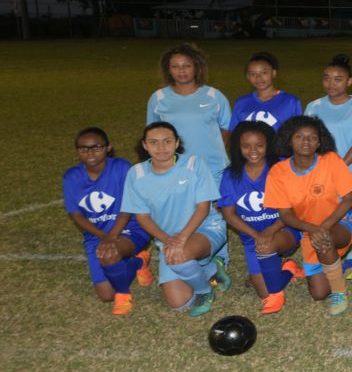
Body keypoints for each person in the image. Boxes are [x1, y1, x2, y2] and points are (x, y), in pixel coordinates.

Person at [121, 122, 229, 317]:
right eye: (154, 142)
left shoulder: (193, 163)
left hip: (205, 228)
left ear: (177, 143)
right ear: (145, 145)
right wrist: (167, 239)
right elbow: (142, 217)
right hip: (168, 239)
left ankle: (205, 292)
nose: (161, 147)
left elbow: (203, 208)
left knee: (180, 257)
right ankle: (211, 269)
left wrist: (180, 239)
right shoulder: (135, 174)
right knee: (179, 303)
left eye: (167, 141)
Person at [264, 115, 352, 316]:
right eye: (299, 137)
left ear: (319, 142)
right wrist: (313, 229)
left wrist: (322, 228)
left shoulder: (331, 161)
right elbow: (285, 214)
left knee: (323, 241)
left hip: (345, 221)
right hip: (310, 231)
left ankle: (340, 293)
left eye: (312, 137)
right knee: (319, 293)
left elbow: (349, 200)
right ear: (289, 140)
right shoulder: (278, 172)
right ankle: (350, 264)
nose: (306, 142)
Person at [62, 127, 152, 315]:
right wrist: (104, 236)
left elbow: (128, 206)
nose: (90, 153)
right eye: (83, 148)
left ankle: (124, 294)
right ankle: (138, 262)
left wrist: (112, 236)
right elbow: (76, 215)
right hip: (97, 234)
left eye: (96, 147)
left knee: (109, 255)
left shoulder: (121, 168)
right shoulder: (71, 177)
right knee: (105, 295)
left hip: (130, 227)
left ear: (108, 148)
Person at [218, 121, 301, 315]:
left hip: (283, 229)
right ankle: (289, 269)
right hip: (252, 238)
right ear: (238, 148)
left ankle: (278, 259)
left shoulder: (281, 168)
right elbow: (229, 214)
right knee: (265, 292)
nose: (253, 151)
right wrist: (257, 235)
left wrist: (270, 231)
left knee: (268, 249)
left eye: (259, 145)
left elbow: (295, 209)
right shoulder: (231, 175)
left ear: (269, 145)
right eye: (246, 146)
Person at [305, 54, 352, 268]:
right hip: (319, 173)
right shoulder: (314, 106)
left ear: (349, 81)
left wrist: (337, 168)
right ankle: (336, 251)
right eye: (327, 78)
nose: (331, 83)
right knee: (327, 212)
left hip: (349, 170)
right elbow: (305, 139)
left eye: (338, 79)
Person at [147, 44, 230, 183]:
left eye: (187, 65)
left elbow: (227, 127)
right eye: (175, 66)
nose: (181, 70)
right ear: (169, 70)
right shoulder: (158, 98)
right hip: (175, 168)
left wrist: (212, 149)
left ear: (196, 67)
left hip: (212, 168)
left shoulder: (214, 96)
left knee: (215, 205)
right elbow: (152, 135)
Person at [228, 51, 301, 131]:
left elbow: (298, 132)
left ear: (274, 73)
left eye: (264, 73)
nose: (258, 78)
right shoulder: (241, 102)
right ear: (248, 77)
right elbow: (234, 133)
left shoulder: (290, 102)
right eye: (253, 74)